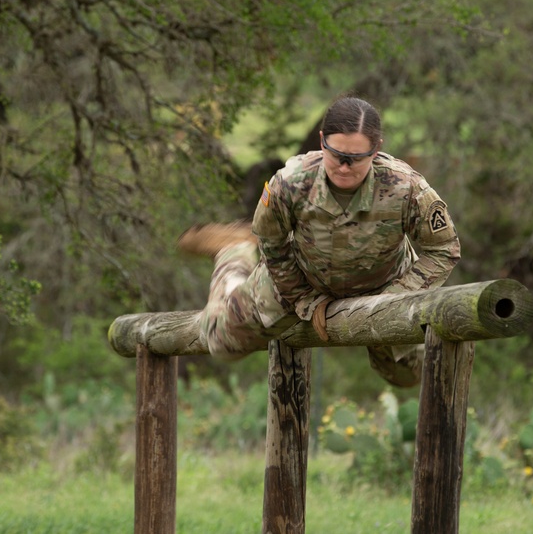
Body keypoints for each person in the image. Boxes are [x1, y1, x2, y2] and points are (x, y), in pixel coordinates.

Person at [178, 95, 461, 387]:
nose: (344, 167)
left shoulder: (406, 187)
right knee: (220, 343)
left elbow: (444, 248)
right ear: (323, 140)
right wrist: (305, 300)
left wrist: (394, 299)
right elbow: (272, 244)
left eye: (355, 159)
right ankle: (234, 253)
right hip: (302, 277)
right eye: (336, 155)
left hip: (384, 284)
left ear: (376, 150)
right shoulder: (291, 182)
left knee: (407, 376)